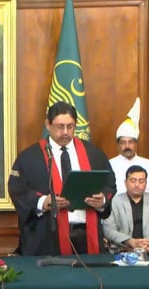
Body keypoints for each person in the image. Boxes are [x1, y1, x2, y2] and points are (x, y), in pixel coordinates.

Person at [8, 101, 115, 256]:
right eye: (60, 126)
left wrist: (103, 200)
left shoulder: (94, 154)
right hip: (46, 237)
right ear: (47, 124)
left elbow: (109, 182)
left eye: (70, 126)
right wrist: (42, 202)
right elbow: (17, 188)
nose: (65, 132)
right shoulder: (29, 157)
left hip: (86, 236)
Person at [103, 165, 149, 261]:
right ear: (125, 183)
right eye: (133, 181)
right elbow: (108, 230)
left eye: (141, 181)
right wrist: (130, 242)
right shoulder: (114, 201)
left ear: (146, 183)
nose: (137, 185)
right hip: (124, 249)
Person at [108, 97, 149, 195]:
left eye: (130, 142)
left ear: (136, 144)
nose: (127, 146)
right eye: (123, 142)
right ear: (118, 145)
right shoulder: (110, 164)